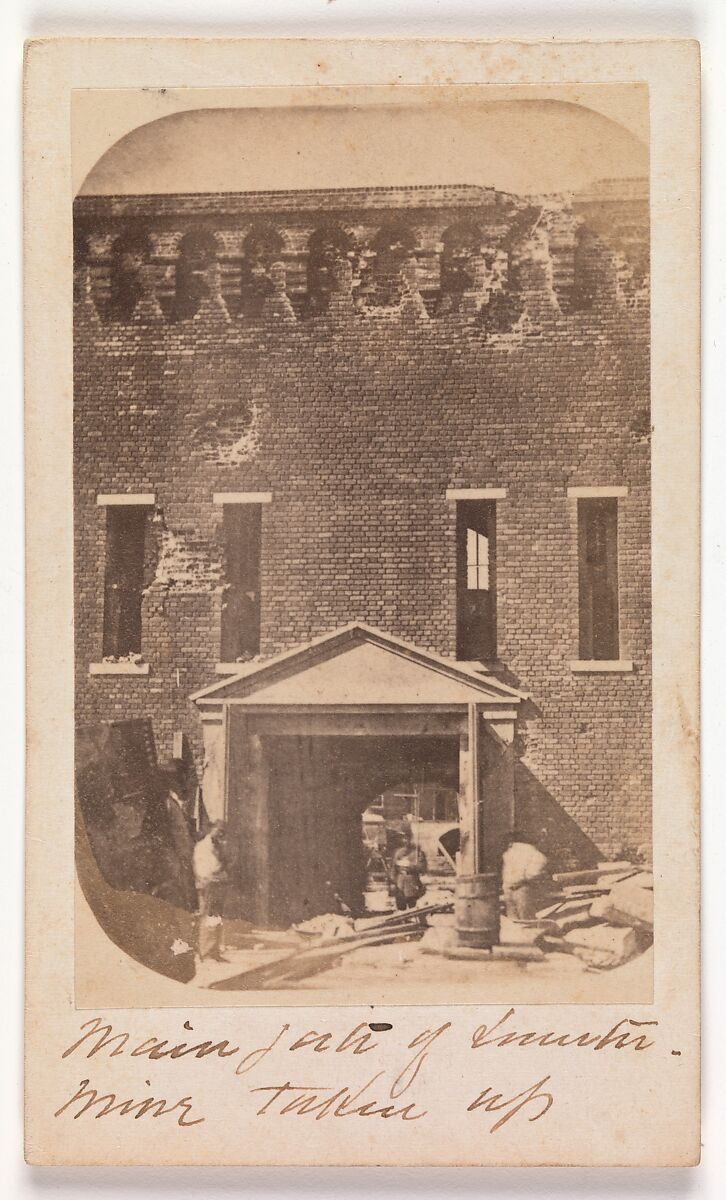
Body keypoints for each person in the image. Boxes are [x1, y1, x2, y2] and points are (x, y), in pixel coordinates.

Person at [192, 821, 231, 961]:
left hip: (218, 883)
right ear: (211, 829)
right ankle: (206, 953)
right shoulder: (203, 846)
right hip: (208, 883)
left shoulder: (218, 846)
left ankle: (214, 952)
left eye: (223, 831)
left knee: (216, 918)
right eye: (218, 830)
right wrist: (212, 875)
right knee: (207, 917)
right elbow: (203, 868)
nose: (220, 833)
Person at [501, 831, 551, 921]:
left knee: (518, 920)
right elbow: (532, 874)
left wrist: (519, 878)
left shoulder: (515, 852)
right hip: (517, 889)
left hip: (515, 888)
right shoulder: (535, 855)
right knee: (521, 920)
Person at [390, 831, 428, 911]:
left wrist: (409, 865)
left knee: (412, 907)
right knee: (400, 906)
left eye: (407, 838)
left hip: (411, 882)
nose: (405, 841)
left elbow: (422, 868)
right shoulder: (398, 852)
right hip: (400, 882)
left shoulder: (418, 853)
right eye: (403, 838)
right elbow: (393, 868)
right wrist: (393, 882)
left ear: (411, 839)